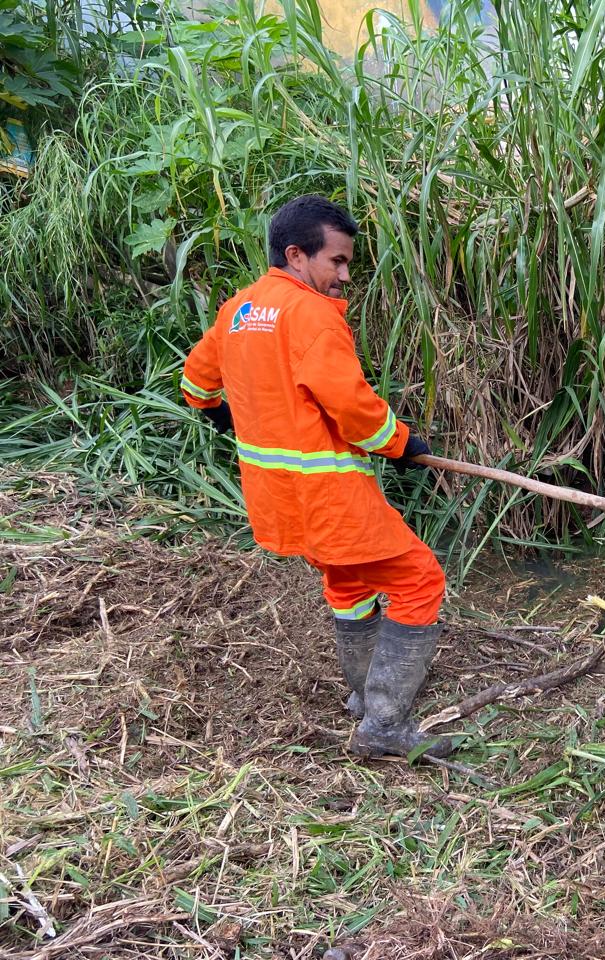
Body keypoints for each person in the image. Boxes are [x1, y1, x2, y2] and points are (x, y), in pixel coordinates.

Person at [180, 194, 453, 760]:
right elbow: (353, 407)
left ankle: (361, 695)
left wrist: (226, 414)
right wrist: (401, 445)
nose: (344, 276)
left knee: (348, 584)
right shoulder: (312, 315)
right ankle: (381, 725)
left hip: (277, 500)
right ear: (298, 255)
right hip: (330, 497)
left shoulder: (239, 309)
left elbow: (198, 384)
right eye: (338, 261)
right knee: (420, 580)